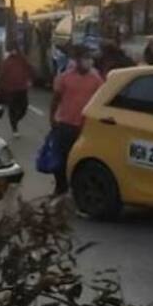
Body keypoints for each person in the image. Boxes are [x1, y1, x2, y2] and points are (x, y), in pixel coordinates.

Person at [49, 45, 104, 195]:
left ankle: (77, 190)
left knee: (82, 161)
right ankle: (61, 187)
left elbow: (101, 101)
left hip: (86, 127)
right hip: (66, 124)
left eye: (89, 58)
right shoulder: (65, 77)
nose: (88, 61)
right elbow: (55, 99)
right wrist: (52, 118)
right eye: (85, 58)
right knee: (61, 159)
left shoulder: (96, 79)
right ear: (77, 60)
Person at [0, 44, 34, 138]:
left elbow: (30, 68)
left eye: (16, 50)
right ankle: (14, 128)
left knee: (24, 107)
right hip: (11, 89)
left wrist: (30, 79)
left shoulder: (22, 60)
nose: (14, 52)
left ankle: (16, 120)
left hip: (22, 88)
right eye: (13, 50)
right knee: (12, 109)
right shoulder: (6, 62)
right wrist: (1, 88)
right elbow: (2, 75)